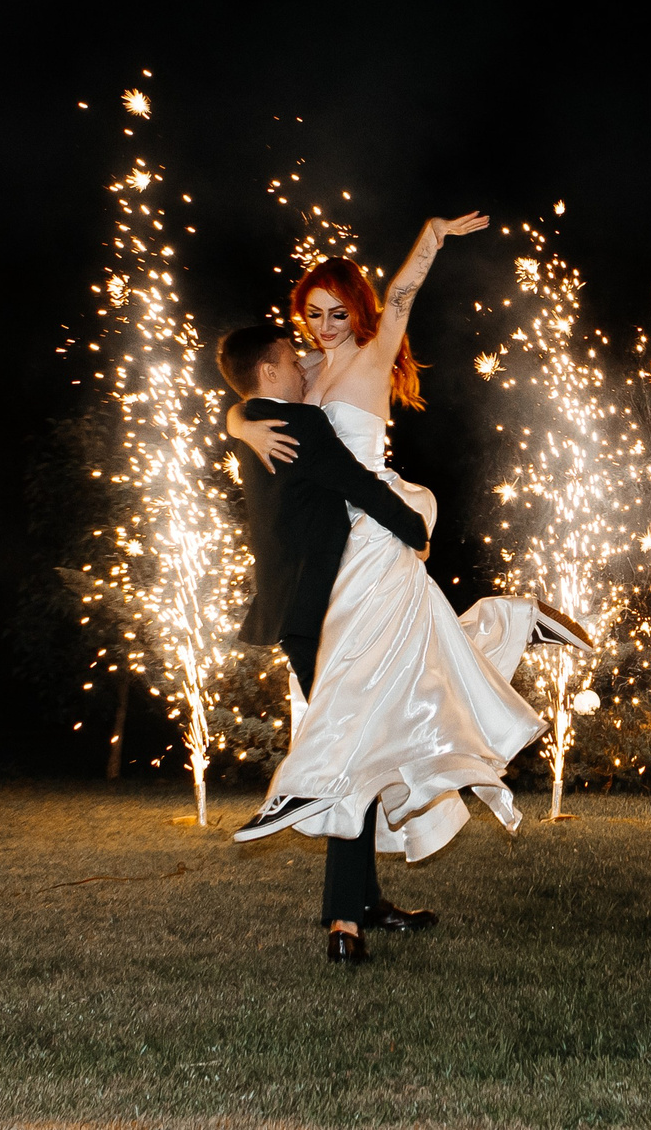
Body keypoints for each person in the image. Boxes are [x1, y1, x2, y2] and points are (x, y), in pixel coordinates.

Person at [225, 213, 592, 966]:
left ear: (355, 311)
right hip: (334, 561)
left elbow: (400, 298)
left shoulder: (368, 355)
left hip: (376, 540)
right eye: (313, 314)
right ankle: (510, 621)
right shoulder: (305, 373)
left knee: (359, 723)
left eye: (337, 313)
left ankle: (346, 915)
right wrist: (240, 423)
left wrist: (429, 237)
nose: (324, 327)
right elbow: (252, 388)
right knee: (401, 695)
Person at [213, 321, 436, 962]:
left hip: (294, 614)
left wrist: (237, 418)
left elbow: (272, 387)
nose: (300, 365)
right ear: (270, 371)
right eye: (290, 359)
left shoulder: (255, 425)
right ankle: (345, 920)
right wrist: (415, 527)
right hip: (321, 614)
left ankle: (363, 902)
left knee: (353, 742)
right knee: (353, 754)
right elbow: (358, 482)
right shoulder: (301, 425)